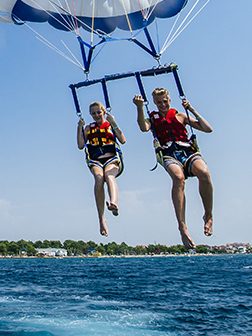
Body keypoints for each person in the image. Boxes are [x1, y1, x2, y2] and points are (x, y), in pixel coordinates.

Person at [133, 87, 213, 249]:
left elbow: (207, 128)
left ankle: (209, 215)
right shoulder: (153, 119)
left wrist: (191, 109)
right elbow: (143, 127)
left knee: (204, 172)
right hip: (169, 154)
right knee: (178, 178)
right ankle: (182, 227)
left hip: (188, 152)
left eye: (165, 101)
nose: (163, 105)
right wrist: (140, 107)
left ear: (170, 100)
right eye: (159, 102)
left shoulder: (181, 116)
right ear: (154, 103)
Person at [76, 101, 126, 237]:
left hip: (112, 159)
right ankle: (102, 219)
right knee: (99, 178)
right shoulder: (88, 128)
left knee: (109, 176)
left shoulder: (110, 125)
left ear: (104, 111)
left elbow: (122, 140)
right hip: (96, 160)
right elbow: (81, 145)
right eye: (93, 113)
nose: (97, 115)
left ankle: (114, 203)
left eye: (99, 112)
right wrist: (79, 128)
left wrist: (114, 123)